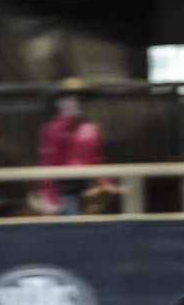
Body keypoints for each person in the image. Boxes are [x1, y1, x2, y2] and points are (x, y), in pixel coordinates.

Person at [37, 79, 122, 215]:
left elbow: (98, 159)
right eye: (70, 99)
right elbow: (49, 163)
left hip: (91, 189)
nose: (77, 103)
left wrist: (107, 182)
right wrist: (51, 198)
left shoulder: (93, 129)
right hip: (66, 190)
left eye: (81, 99)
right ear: (58, 103)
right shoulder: (53, 129)